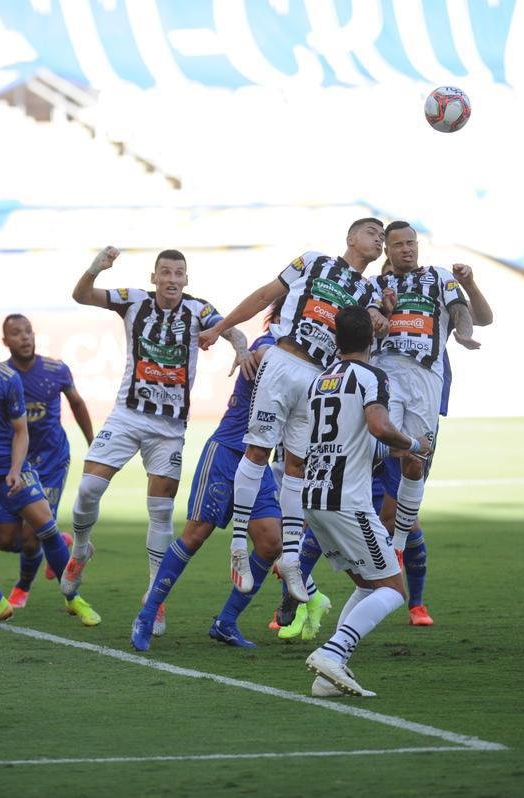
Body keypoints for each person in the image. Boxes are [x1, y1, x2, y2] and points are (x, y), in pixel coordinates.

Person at [198, 219, 390, 605]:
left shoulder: (369, 290)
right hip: (284, 361)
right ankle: (238, 542)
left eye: (382, 236)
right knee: (257, 451)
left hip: (319, 378)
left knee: (296, 465)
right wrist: (221, 328)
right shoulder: (312, 261)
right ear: (350, 238)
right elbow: (264, 295)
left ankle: (289, 559)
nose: (379, 239)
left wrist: (383, 318)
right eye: (372, 232)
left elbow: (373, 328)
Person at [63, 246, 251, 636]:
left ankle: (155, 595)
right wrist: (95, 268)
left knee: (161, 512)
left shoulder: (199, 311)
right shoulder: (133, 301)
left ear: (186, 279)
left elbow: (232, 328)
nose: (171, 279)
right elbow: (81, 296)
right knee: (88, 490)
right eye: (164, 272)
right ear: (154, 277)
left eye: (178, 273)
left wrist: (240, 346)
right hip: (127, 415)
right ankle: (81, 548)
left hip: (169, 429)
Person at [131, 298, 305, 651]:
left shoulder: (302, 358)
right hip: (227, 452)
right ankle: (147, 614)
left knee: (271, 542)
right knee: (196, 535)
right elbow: (258, 352)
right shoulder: (267, 346)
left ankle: (226, 622)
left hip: (256, 465)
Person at [0, 312, 99, 631]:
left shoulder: (7, 378)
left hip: (17, 465)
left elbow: (20, 431)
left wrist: (13, 468)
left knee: (41, 531)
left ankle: (73, 598)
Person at [300, 306, 431, 698]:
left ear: (336, 340)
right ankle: (332, 653)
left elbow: (352, 439)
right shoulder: (372, 376)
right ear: (372, 340)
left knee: (366, 582)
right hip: (348, 501)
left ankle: (328, 677)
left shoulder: (320, 380)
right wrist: (412, 443)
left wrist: (393, 453)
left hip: (315, 497)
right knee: (392, 589)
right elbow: (378, 425)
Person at [370, 221, 480, 625]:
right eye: (397, 244)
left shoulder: (438, 277)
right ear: (387, 251)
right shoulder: (375, 286)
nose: (406, 249)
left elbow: (461, 312)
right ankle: (296, 595)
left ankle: (411, 594)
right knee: (356, 490)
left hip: (422, 386)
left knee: (410, 474)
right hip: (381, 381)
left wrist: (464, 335)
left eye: (410, 243)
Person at [0, 313, 94, 609]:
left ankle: (22, 587)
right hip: (15, 461)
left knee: (31, 536)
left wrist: (93, 444)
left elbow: (76, 402)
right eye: (16, 333)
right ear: (5, 341)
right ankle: (62, 540)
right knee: (4, 540)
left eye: (28, 331)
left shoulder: (55, 370)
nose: (25, 337)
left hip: (51, 460)